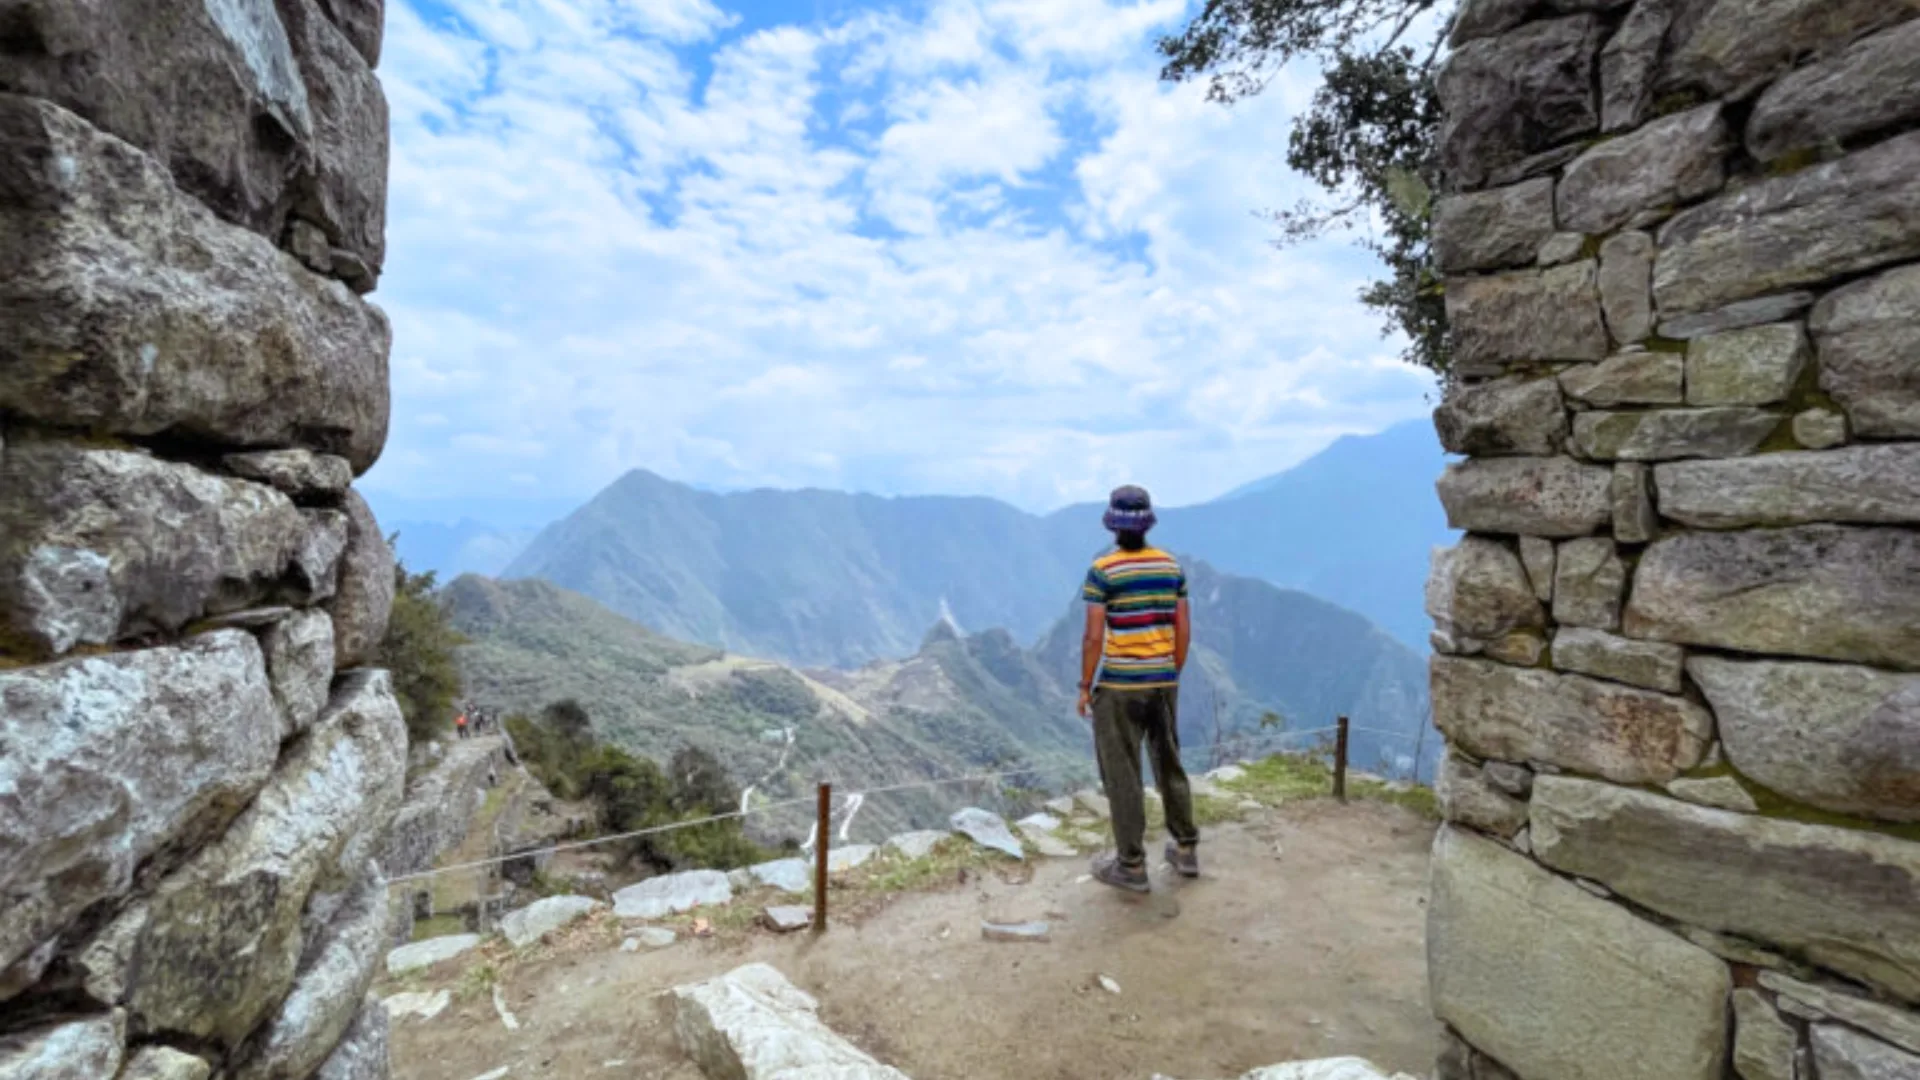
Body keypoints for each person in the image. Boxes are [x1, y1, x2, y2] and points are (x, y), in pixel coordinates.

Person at [1076, 484, 1198, 893]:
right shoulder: (1170, 566)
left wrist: (1084, 685)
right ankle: (1185, 848)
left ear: (1112, 524)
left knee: (1123, 773)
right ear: (1148, 523)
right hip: (1162, 680)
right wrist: (1170, 671)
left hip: (1119, 686)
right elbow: (1183, 627)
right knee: (1169, 762)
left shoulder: (1103, 570)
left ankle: (1130, 865)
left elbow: (1094, 637)